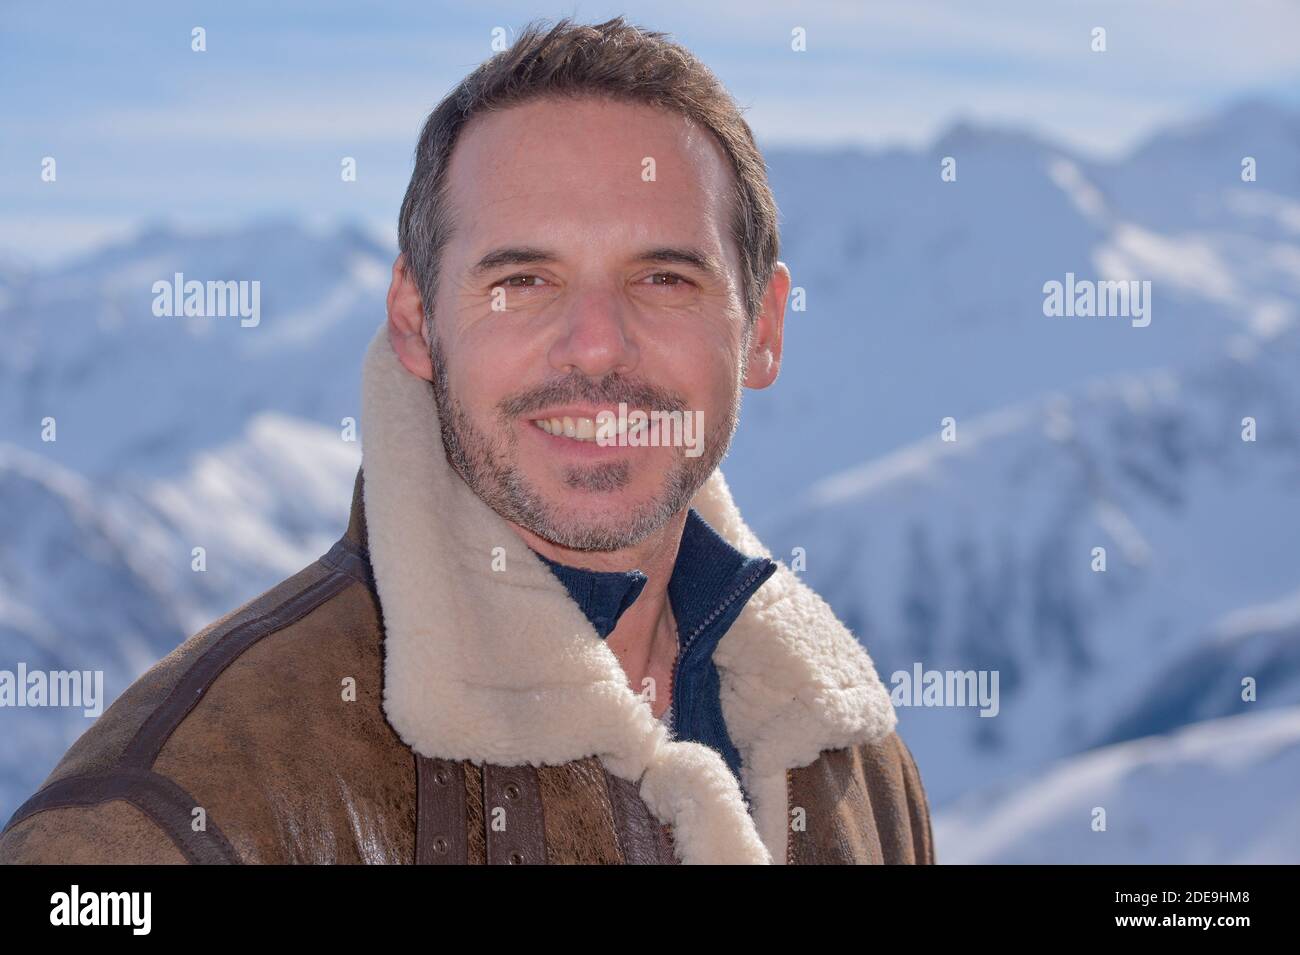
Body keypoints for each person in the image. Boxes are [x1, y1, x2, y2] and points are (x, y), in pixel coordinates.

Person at [0, 16, 933, 864]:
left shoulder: (847, 762)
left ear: (762, 329)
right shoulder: (172, 814)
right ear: (415, 319)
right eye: (523, 280)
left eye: (664, 278)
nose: (599, 345)